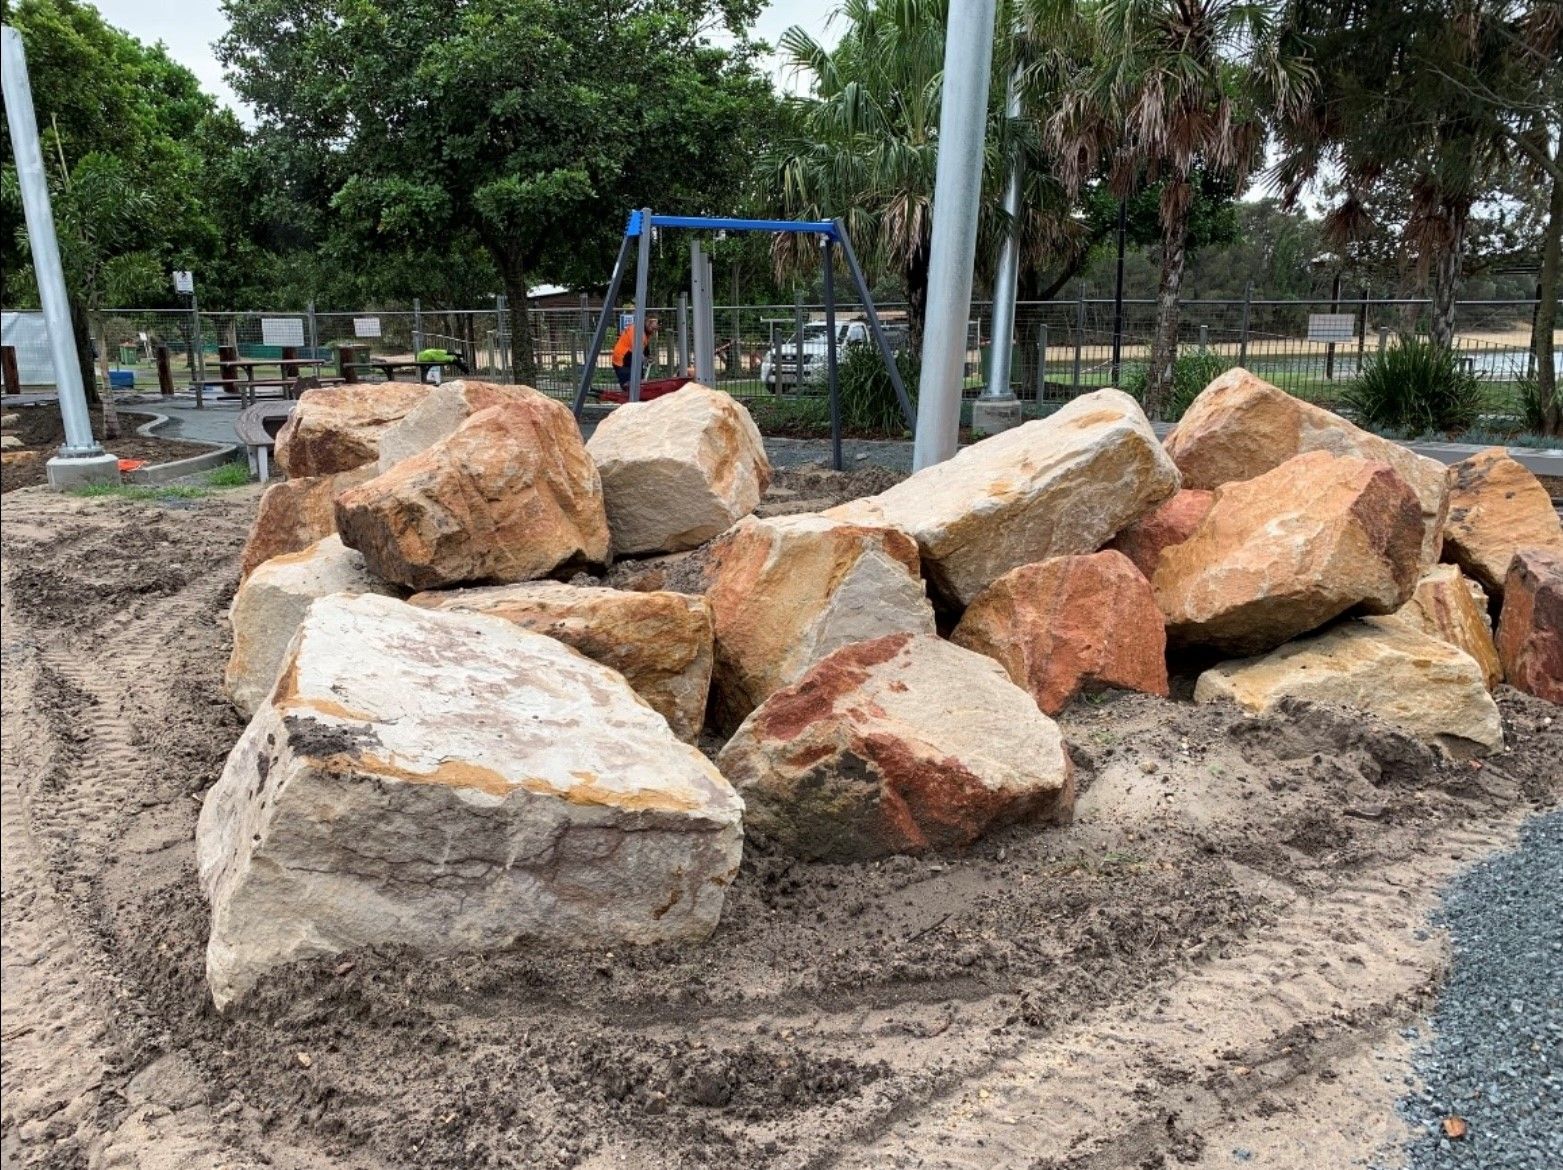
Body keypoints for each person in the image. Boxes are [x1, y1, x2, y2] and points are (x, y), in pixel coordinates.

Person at [611, 314, 658, 389]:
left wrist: (648, 356)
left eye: (655, 329)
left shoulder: (645, 332)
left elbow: (645, 345)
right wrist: (645, 358)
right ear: (648, 323)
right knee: (628, 385)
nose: (654, 331)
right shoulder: (637, 332)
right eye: (653, 328)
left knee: (636, 382)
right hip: (622, 360)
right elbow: (637, 349)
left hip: (628, 357)